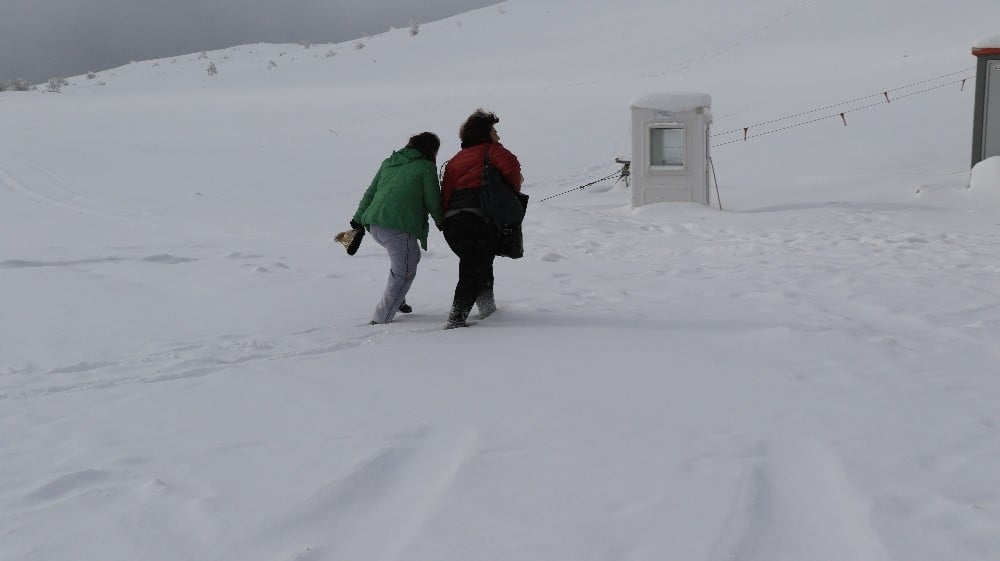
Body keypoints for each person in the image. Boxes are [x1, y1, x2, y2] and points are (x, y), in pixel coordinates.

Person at [440, 109, 523, 328]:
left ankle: (488, 310)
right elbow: (513, 170)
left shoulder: (455, 160)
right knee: (473, 269)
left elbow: (445, 193)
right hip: (477, 220)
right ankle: (456, 320)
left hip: (453, 223)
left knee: (481, 264)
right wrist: (511, 192)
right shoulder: (493, 150)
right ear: (484, 134)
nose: (498, 136)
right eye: (494, 131)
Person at [351, 132, 444, 324]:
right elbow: (433, 201)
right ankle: (380, 319)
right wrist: (441, 221)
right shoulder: (425, 167)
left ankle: (398, 299)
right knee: (404, 273)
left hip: (375, 224)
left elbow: (371, 192)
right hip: (397, 227)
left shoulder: (390, 162)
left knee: (411, 257)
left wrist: (357, 220)